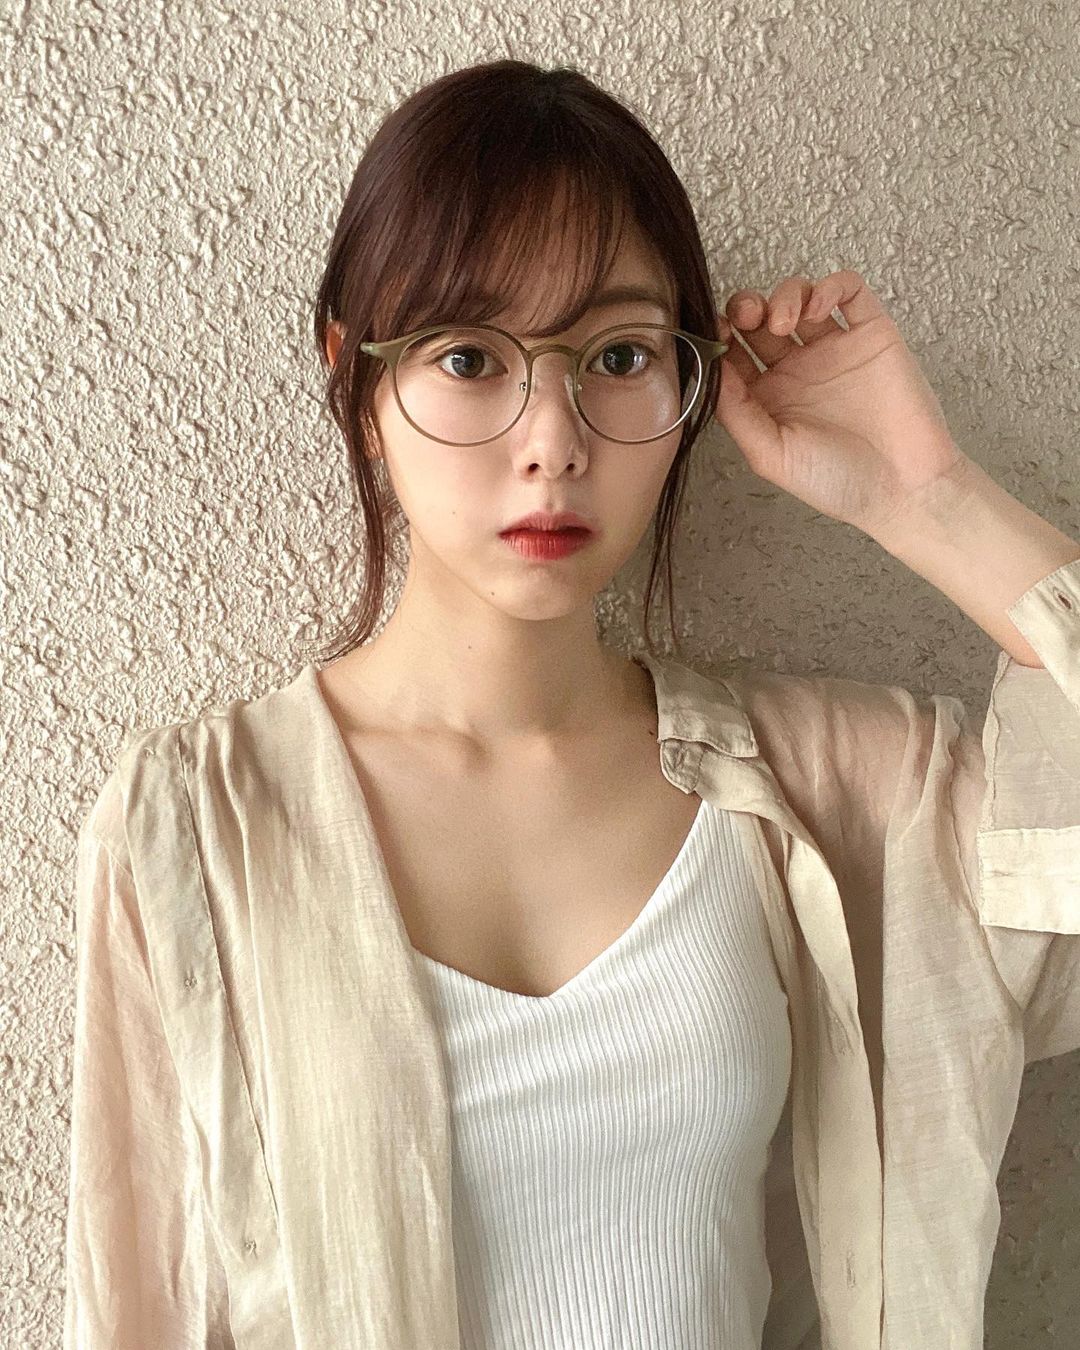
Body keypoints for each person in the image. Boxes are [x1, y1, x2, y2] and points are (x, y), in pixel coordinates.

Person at [64, 58, 1080, 1350]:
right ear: (356, 381)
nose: (554, 438)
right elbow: (136, 1305)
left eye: (617, 356)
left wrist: (925, 496)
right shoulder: (196, 825)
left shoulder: (816, 792)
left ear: (687, 384)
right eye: (470, 357)